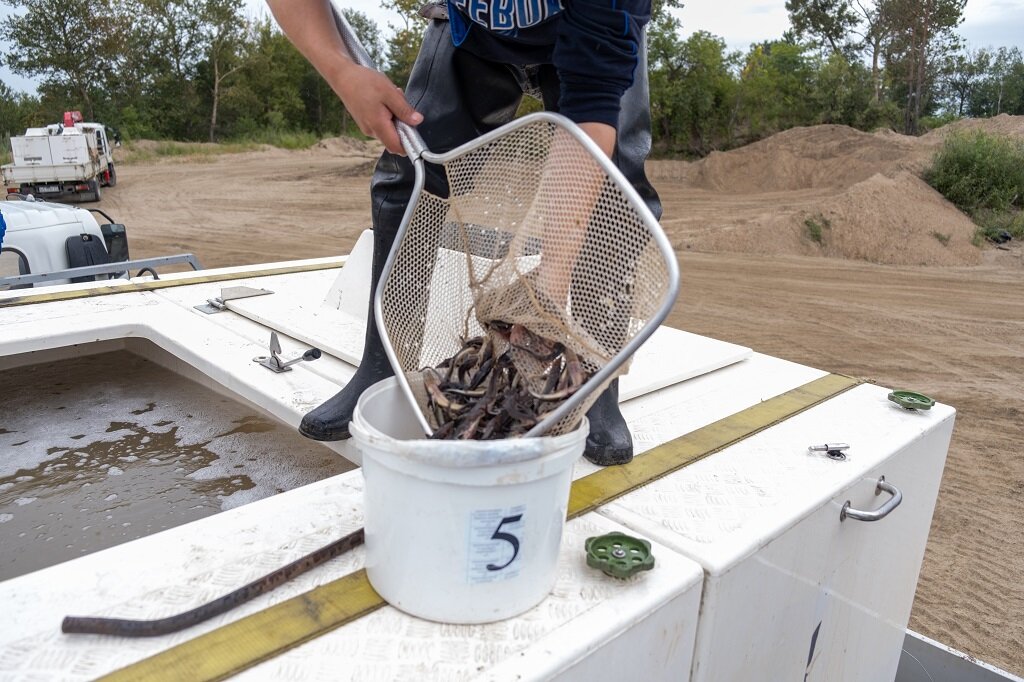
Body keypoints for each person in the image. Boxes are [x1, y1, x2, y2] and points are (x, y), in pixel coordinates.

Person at [267, 0, 662, 466]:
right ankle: (383, 367)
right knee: (408, 173)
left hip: (587, 28)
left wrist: (547, 292)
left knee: (615, 187)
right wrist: (340, 71)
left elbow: (592, 106)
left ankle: (599, 383)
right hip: (466, 29)